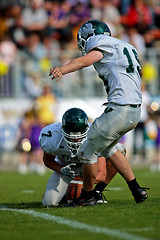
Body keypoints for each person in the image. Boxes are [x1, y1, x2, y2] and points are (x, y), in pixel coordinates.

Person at [49, 19, 148, 207]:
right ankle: (136, 189)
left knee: (87, 151)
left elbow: (87, 60)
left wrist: (63, 69)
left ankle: (88, 196)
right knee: (108, 149)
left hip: (120, 107)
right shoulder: (126, 46)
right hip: (134, 109)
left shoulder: (99, 43)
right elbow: (139, 73)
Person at [39, 107, 126, 206]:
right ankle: (65, 194)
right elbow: (48, 161)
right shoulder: (53, 136)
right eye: (71, 133)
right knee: (49, 203)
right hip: (66, 169)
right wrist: (61, 169)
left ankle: (97, 192)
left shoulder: (95, 134)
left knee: (119, 150)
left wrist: (80, 181)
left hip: (90, 167)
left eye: (78, 134)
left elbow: (101, 175)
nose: (75, 138)